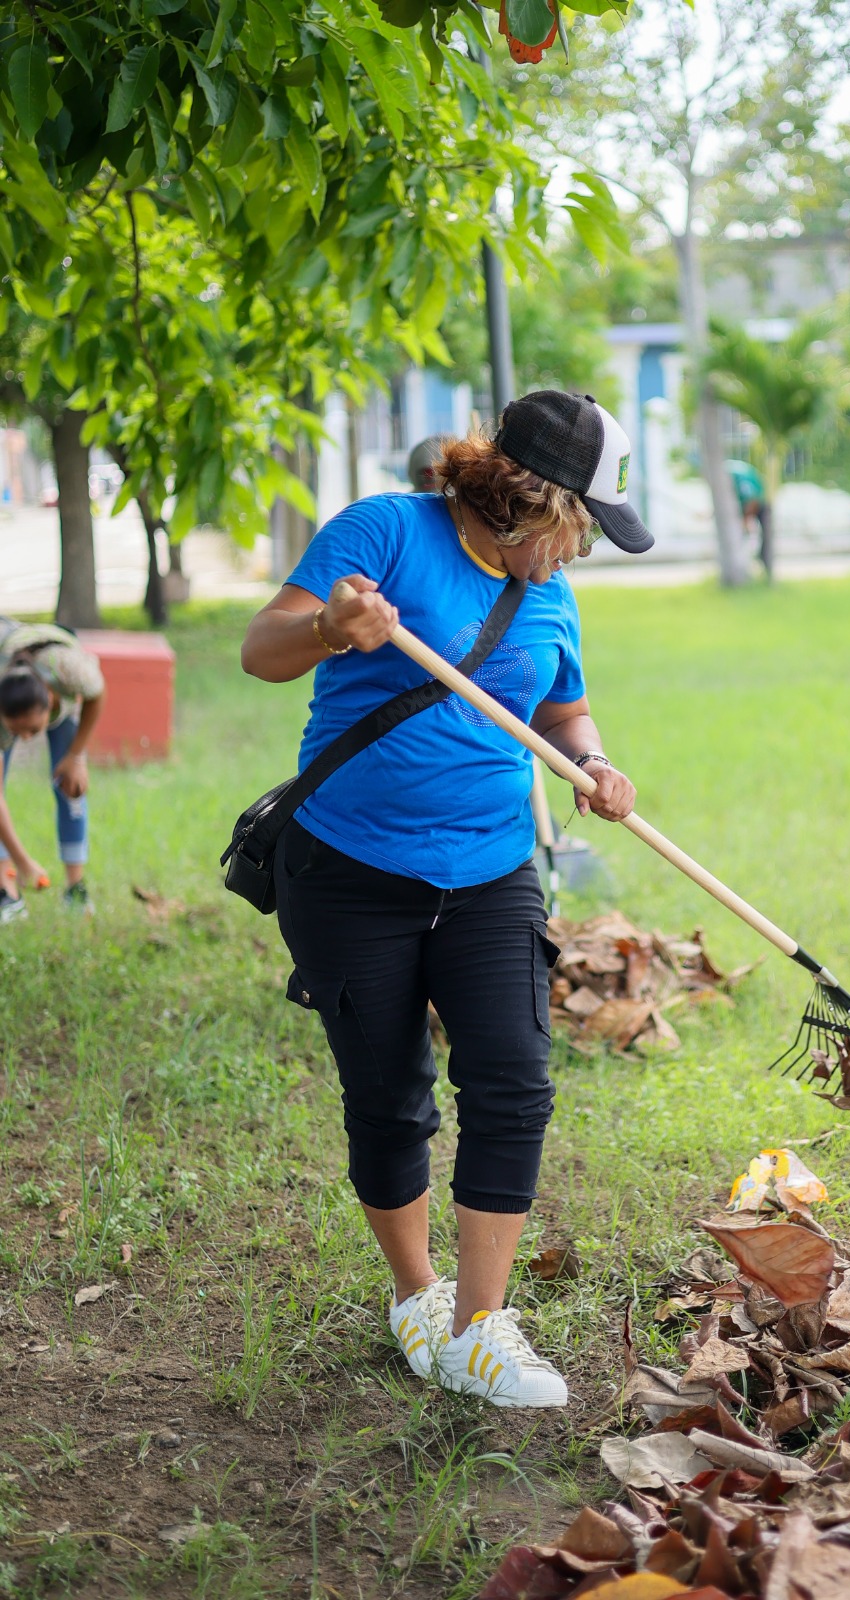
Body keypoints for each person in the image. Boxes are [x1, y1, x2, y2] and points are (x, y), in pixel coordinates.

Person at [241, 391, 653, 1408]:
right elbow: (262, 650)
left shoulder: (547, 590)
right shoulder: (385, 532)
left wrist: (590, 764)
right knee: (387, 1095)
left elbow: (564, 705)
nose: (582, 550)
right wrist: (335, 628)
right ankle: (416, 1294)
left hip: (491, 869)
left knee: (513, 1078)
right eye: (579, 525)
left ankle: (479, 1325)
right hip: (348, 871)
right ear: (524, 498)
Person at [0, 622, 106, 923]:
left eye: (33, 729)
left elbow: (99, 694)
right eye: (16, 732)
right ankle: (5, 890)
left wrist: (75, 757)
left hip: (57, 673)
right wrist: (23, 862)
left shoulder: (69, 672)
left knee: (70, 786)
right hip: (11, 670)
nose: (26, 739)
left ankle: (75, 887)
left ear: (50, 698)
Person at [726, 458, 772, 577]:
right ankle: (742, 568)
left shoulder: (735, 475)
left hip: (760, 505)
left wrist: (746, 519)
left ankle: (766, 566)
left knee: (765, 538)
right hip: (745, 508)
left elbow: (752, 500)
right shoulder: (728, 473)